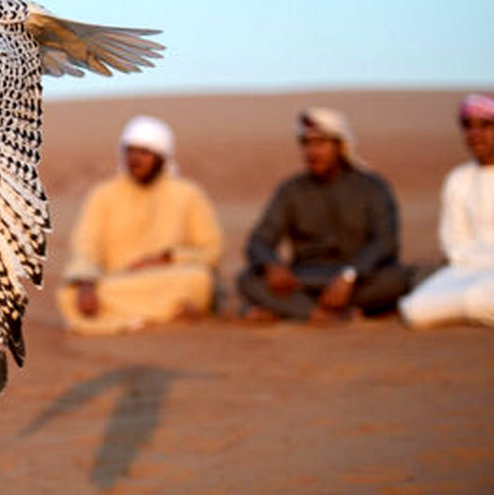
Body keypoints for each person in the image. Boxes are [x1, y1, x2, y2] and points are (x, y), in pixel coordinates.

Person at [237, 107, 410, 323]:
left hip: (359, 278)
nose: (312, 152)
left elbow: (385, 242)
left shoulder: (372, 187)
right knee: (248, 280)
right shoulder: (291, 190)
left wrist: (350, 276)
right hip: (307, 277)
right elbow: (259, 241)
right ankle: (320, 315)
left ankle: (294, 310)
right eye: (306, 144)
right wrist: (272, 265)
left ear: (340, 146)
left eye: (321, 143)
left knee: (397, 279)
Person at [57, 115, 223, 335]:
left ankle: (119, 316)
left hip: (167, 276)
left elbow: (211, 250)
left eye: (144, 153)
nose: (135, 160)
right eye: (130, 151)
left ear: (162, 158)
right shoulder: (103, 195)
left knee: (199, 279)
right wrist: (87, 283)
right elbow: (86, 246)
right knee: (68, 295)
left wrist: (167, 258)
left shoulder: (188, 194)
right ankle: (167, 312)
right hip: (118, 281)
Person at [399, 93, 494, 328]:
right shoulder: (458, 179)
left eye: (485, 126)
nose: (475, 135)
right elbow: (453, 241)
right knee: (414, 309)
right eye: (468, 127)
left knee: (478, 296)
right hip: (466, 270)